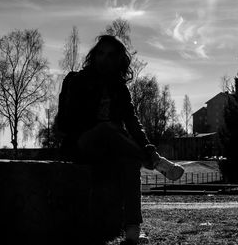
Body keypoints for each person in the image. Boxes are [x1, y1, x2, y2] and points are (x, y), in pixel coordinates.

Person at [55, 34, 184, 244]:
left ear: (118, 60)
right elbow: (64, 123)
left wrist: (146, 145)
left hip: (111, 149)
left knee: (130, 162)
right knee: (107, 128)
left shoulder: (120, 89)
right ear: (93, 55)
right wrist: (95, 126)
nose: (104, 59)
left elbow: (133, 123)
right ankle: (154, 161)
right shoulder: (75, 81)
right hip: (81, 144)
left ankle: (132, 231)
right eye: (100, 53)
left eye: (110, 55)